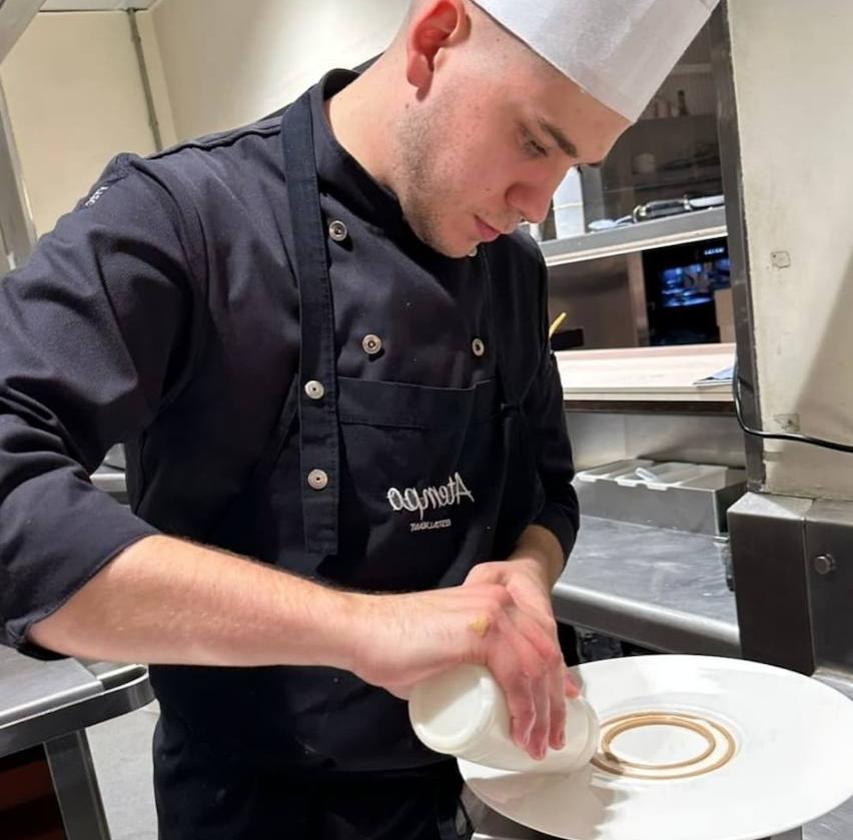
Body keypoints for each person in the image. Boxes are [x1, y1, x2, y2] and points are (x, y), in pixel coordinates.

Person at [0, 0, 718, 837]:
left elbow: (544, 492)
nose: (534, 203)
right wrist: (360, 629)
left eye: (572, 166)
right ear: (433, 36)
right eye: (533, 142)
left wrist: (524, 571)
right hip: (245, 808)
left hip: (454, 785)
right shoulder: (180, 218)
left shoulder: (509, 269)